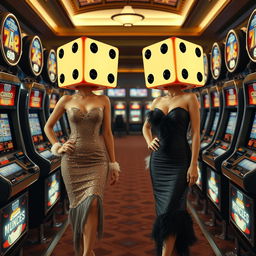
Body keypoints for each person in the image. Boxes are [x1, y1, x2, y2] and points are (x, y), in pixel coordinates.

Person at [44, 86, 120, 256]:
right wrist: (58, 146)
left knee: (93, 202)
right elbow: (48, 127)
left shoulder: (103, 100)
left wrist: (113, 163)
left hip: (97, 160)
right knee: (80, 206)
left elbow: (107, 133)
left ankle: (87, 252)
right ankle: (86, 249)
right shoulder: (65, 100)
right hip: (72, 160)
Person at [142, 85, 200, 256]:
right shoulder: (157, 101)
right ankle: (171, 248)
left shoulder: (190, 98)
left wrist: (194, 164)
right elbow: (145, 128)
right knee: (164, 210)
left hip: (180, 160)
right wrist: (149, 141)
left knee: (170, 209)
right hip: (158, 161)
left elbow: (196, 133)